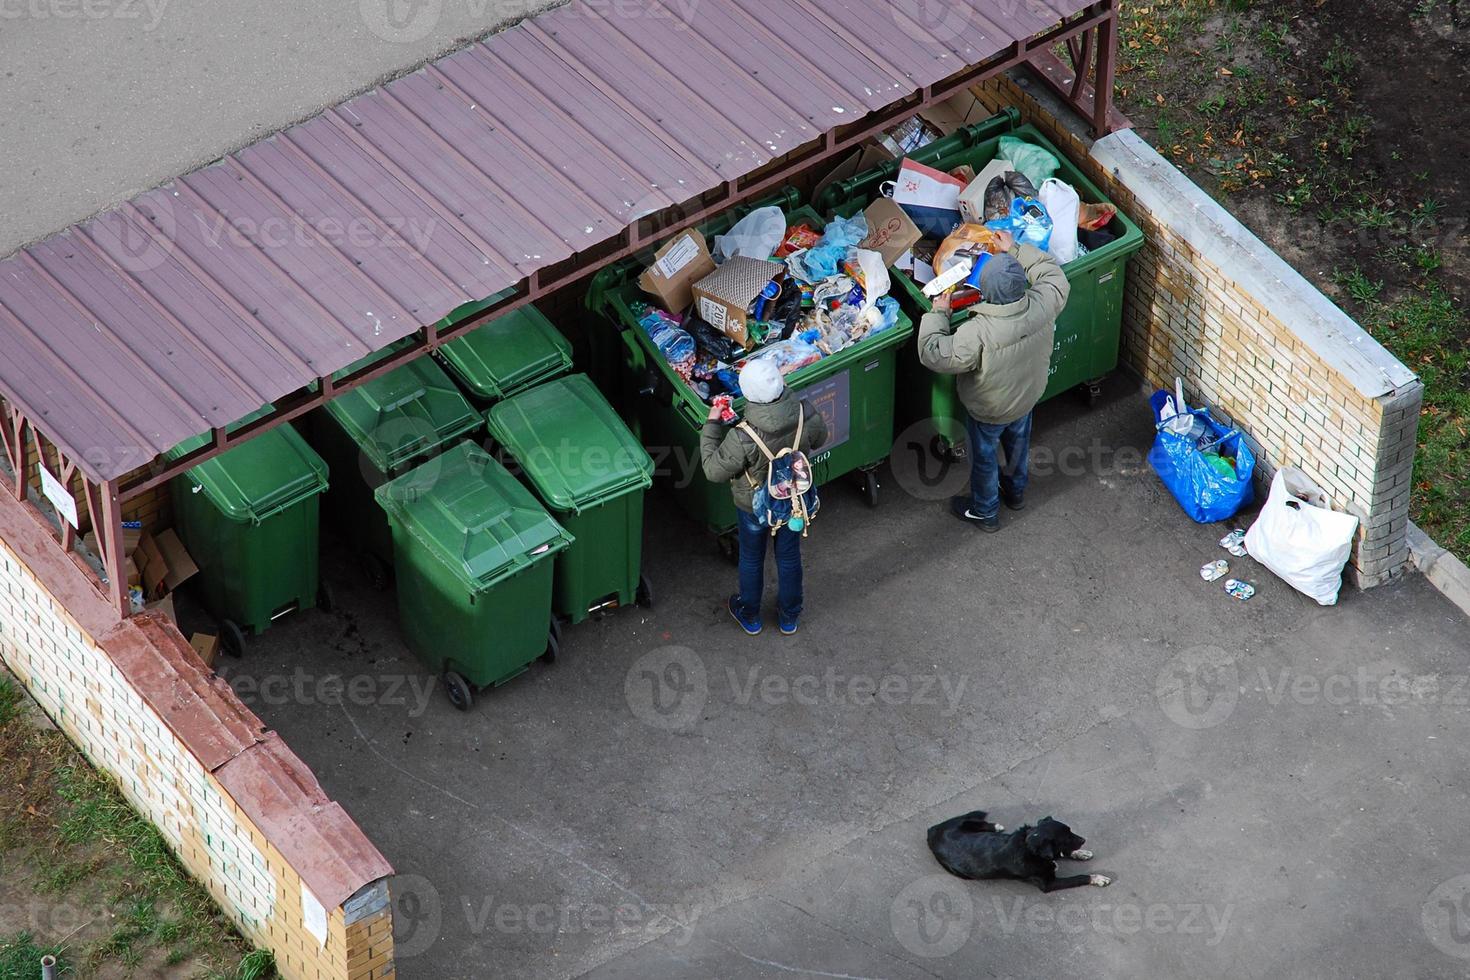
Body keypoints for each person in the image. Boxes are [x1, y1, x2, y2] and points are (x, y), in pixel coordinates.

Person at [917, 231, 1070, 531]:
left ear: (984, 290)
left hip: (989, 409)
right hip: (1026, 397)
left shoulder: (978, 333)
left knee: (985, 458)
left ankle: (986, 511)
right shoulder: (1043, 302)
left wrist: (938, 314)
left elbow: (933, 353)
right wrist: (1015, 249)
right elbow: (1054, 276)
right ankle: (1015, 492)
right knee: (1018, 445)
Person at [701, 359, 828, 636]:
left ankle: (749, 614)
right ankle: (789, 616)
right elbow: (820, 439)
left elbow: (713, 470)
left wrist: (711, 424)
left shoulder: (742, 436)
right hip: (793, 501)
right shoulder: (804, 411)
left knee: (751, 557)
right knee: (789, 556)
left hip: (754, 506)